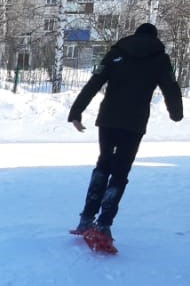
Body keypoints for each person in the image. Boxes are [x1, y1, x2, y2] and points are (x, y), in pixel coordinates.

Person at [68, 22, 183, 253]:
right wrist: (176, 113)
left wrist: (76, 112)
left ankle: (87, 218)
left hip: (108, 119)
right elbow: (171, 87)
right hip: (134, 124)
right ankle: (104, 224)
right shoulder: (160, 59)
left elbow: (95, 82)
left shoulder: (117, 53)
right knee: (120, 172)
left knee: (103, 164)